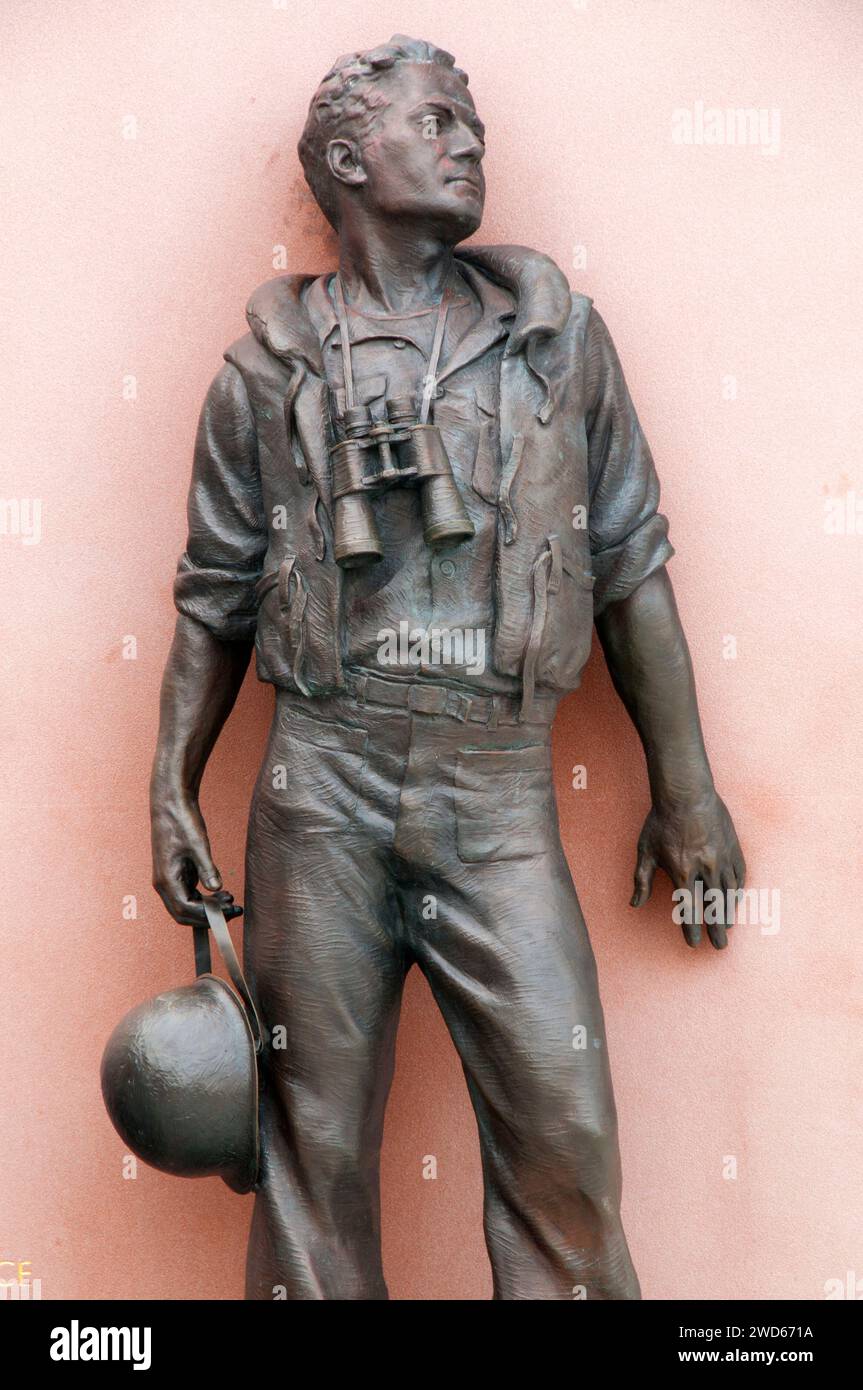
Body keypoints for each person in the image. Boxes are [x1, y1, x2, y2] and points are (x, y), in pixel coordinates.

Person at [150, 35, 745, 1300]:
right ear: (351, 160)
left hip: (498, 790)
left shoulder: (558, 346)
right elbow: (211, 596)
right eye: (439, 121)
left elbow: (632, 565)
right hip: (322, 783)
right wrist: (170, 784)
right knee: (310, 1157)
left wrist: (684, 788)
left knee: (564, 1141)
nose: (471, 141)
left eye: (472, 124)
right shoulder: (263, 370)